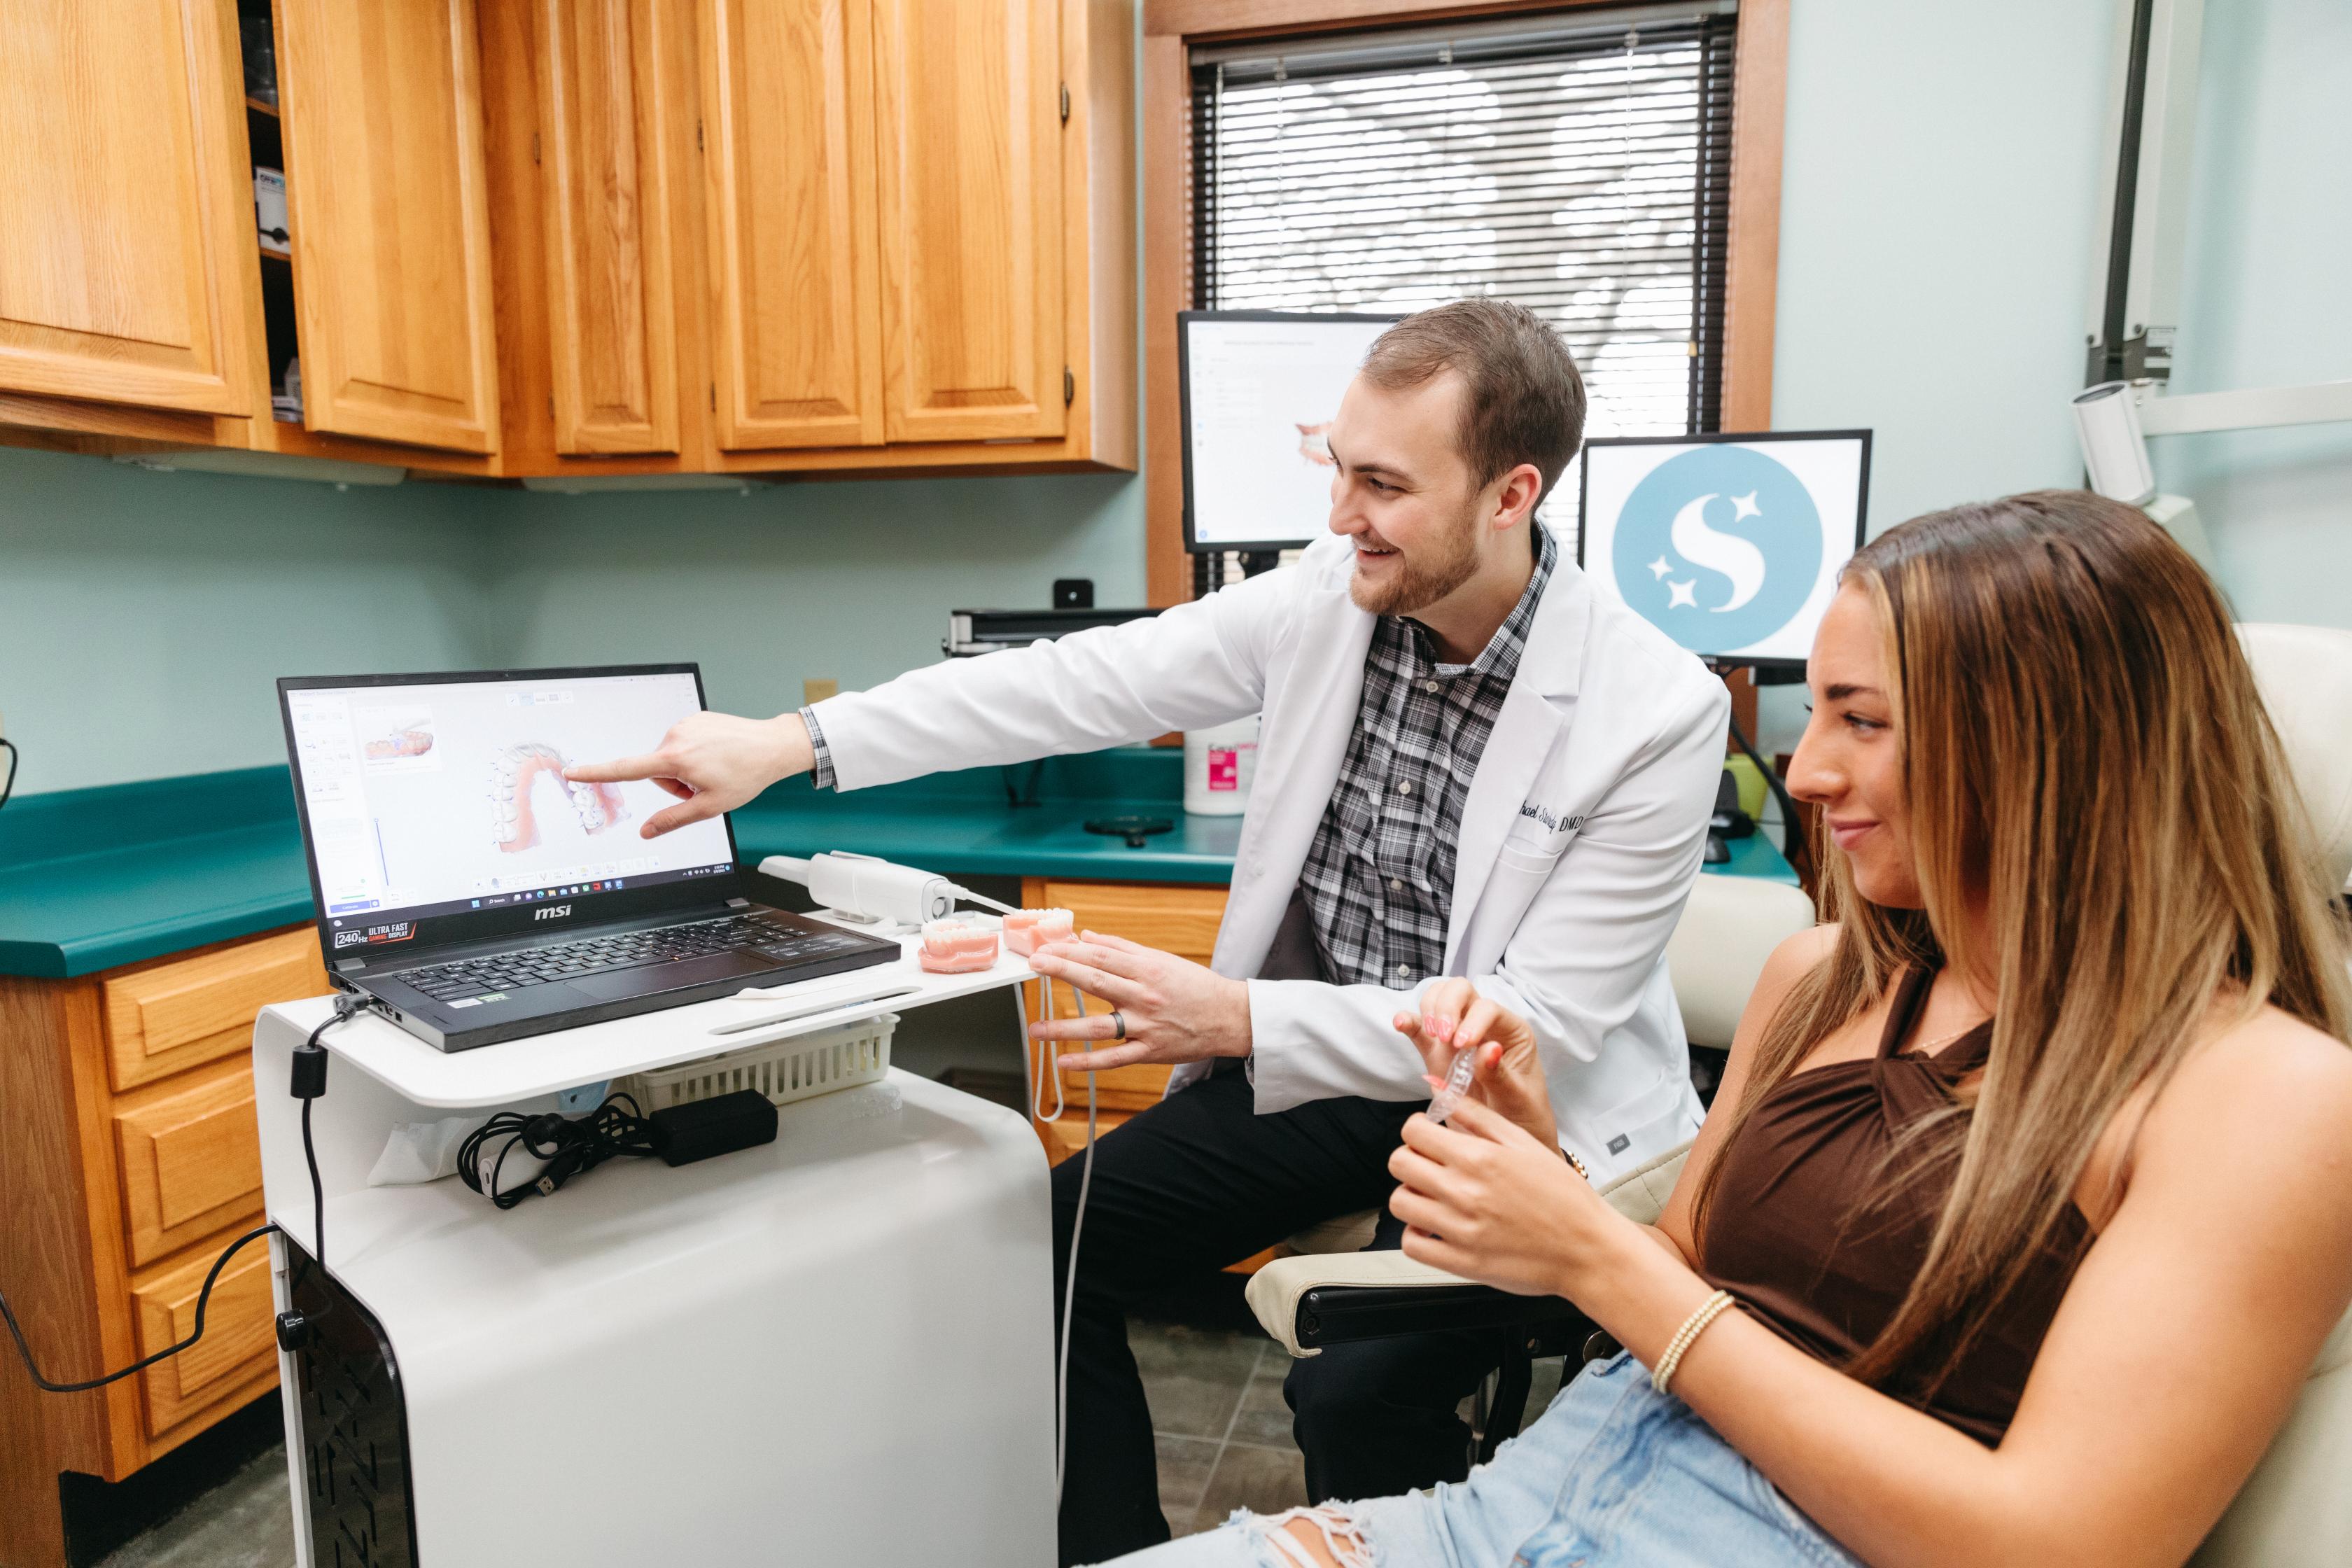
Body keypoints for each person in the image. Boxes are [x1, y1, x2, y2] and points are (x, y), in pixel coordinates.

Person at [565, 298, 1730, 1563]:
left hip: (1511, 1109)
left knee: (1356, 1389)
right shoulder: (1322, 600)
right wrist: (789, 746)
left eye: (1384, 484)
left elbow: (1536, 1023)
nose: (1342, 514)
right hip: (1328, 1068)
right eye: (1338, 467)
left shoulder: (1653, 709)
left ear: (1511, 496)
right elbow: (1074, 682)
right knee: (1045, 1253)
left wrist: (1234, 1018)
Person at [1100, 490, 2352, 1567]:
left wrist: (1596, 1252)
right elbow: (1690, 1273)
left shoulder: (2266, 1098)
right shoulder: (1817, 980)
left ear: (2054, 751)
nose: (1804, 773)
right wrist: (1545, 1171)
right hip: (1512, 1519)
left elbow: (2059, 1543)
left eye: (1863, 722)